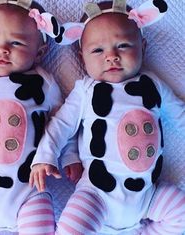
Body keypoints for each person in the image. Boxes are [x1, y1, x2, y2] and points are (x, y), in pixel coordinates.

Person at [29, 0, 185, 234]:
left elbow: (179, 115)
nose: (111, 56)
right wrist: (45, 156)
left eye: (123, 45)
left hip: (148, 196)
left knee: (181, 214)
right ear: (82, 57)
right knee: (71, 228)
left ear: (143, 46)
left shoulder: (153, 85)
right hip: (96, 196)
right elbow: (61, 125)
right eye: (98, 50)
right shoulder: (86, 90)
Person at [0, 0, 82, 234]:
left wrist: (71, 156)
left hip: (30, 192)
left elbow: (63, 125)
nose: (2, 49)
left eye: (16, 42)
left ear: (39, 52)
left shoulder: (44, 84)